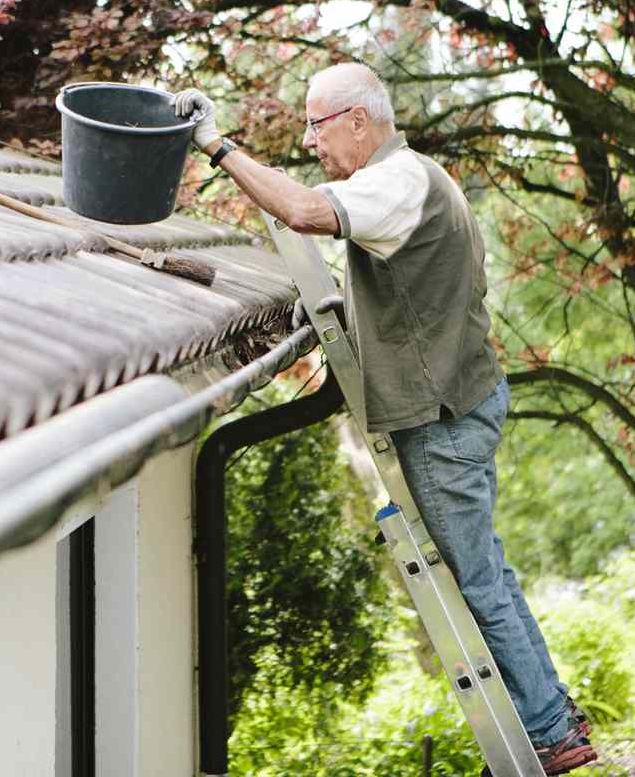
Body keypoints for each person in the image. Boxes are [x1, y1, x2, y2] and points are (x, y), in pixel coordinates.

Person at [173, 63, 597, 776]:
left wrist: (216, 145)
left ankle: (550, 732)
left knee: (476, 581)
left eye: (317, 125)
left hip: (440, 419)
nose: (311, 141)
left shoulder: (396, 185)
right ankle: (552, 708)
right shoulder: (417, 176)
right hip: (462, 400)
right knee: (488, 570)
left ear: (358, 121)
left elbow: (306, 211)